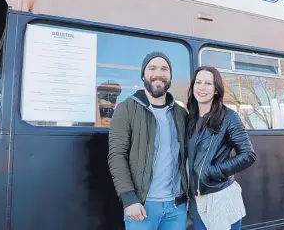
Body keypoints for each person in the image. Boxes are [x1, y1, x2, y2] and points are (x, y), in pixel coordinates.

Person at [107, 52, 188, 230]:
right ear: (144, 74)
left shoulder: (181, 114)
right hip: (142, 207)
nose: (158, 73)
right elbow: (117, 155)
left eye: (164, 69)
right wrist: (128, 198)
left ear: (170, 76)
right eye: (152, 68)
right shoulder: (126, 108)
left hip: (176, 207)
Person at [186, 66, 257, 230]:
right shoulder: (189, 118)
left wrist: (212, 171)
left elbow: (248, 155)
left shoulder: (229, 117)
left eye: (208, 83)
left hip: (220, 198)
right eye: (198, 82)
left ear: (216, 90)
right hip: (197, 201)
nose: (202, 87)